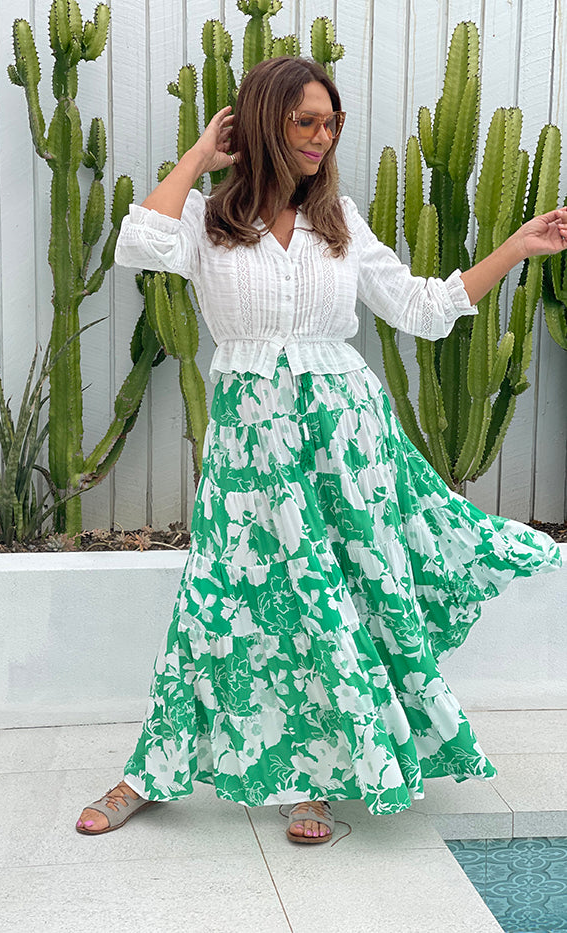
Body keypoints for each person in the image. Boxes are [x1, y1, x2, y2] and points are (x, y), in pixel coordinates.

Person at [76, 57, 566, 845]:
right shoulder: (208, 220)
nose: (321, 136)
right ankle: (151, 770)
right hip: (247, 447)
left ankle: (318, 777)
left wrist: (515, 246)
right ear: (263, 122)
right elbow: (139, 240)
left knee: (334, 609)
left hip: (347, 442)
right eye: (305, 120)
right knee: (215, 601)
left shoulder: (341, 222)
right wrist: (203, 155)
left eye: (330, 122)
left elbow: (424, 307)